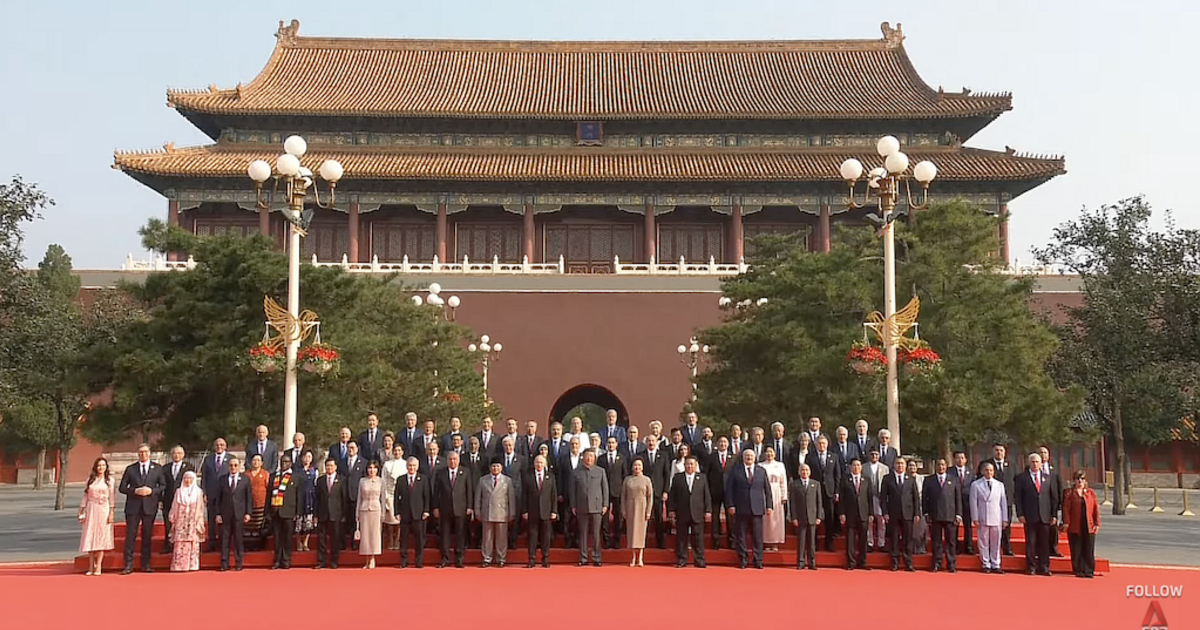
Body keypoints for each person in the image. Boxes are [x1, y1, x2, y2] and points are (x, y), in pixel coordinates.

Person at [119, 444, 166, 574]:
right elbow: (122, 487)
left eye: (145, 452)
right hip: (133, 507)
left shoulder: (157, 468)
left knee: (147, 536)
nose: (143, 454)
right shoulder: (131, 469)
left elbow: (163, 486)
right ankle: (128, 565)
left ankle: (146, 564)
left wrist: (152, 491)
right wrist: (135, 491)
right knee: (130, 536)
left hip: (149, 506)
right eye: (140, 452)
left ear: (149, 453)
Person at [726, 449, 772, 569]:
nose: (749, 458)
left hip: (757, 508)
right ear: (743, 457)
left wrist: (769, 506)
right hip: (741, 508)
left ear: (755, 457)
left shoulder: (761, 471)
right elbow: (729, 489)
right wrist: (730, 505)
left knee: (757, 536)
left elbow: (767, 489)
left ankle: (758, 560)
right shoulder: (736, 470)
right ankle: (743, 560)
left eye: (751, 456)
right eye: (747, 456)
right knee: (741, 536)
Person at [1014, 452, 1057, 576]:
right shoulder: (1022, 478)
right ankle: (1031, 567)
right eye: (1032, 462)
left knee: (1044, 543)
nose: (1035, 464)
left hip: (1045, 516)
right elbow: (1018, 497)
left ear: (1041, 463)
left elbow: (1053, 498)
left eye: (1037, 462)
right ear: (1029, 463)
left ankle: (1044, 567)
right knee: (1031, 543)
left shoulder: (1048, 478)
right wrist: (1020, 514)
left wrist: (1054, 515)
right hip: (1029, 516)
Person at [667, 455, 710, 568]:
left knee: (698, 538)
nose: (690, 466)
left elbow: (706, 495)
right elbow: (672, 495)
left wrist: (708, 510)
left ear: (696, 466)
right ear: (684, 465)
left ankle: (699, 560)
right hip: (682, 512)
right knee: (681, 538)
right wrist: (671, 510)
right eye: (688, 464)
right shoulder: (678, 478)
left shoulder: (702, 478)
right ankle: (681, 560)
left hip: (697, 512)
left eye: (692, 464)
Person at [434, 450, 474, 568]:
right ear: (447, 461)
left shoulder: (465, 472)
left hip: (460, 508)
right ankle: (445, 559)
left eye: (455, 459)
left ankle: (459, 559)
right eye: (450, 459)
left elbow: (469, 490)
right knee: (444, 535)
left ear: (458, 460)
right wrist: (435, 507)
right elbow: (436, 491)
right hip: (445, 508)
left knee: (460, 534)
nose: (452, 461)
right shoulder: (441, 473)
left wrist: (469, 507)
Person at [922, 458, 963, 573]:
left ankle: (951, 564)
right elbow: (924, 498)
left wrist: (959, 514)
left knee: (951, 541)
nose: (941, 467)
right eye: (939, 465)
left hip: (950, 515)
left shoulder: (953, 479)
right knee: (936, 541)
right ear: (935, 466)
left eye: (943, 465)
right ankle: (936, 563)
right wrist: (926, 513)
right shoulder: (929, 480)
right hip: (935, 515)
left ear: (946, 466)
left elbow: (958, 498)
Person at [476, 457, 518, 567]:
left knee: (501, 538)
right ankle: (487, 558)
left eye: (497, 466)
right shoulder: (483, 480)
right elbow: (478, 497)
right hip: (487, 511)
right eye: (493, 466)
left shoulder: (507, 481)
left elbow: (511, 498)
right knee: (487, 538)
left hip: (502, 512)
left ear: (501, 468)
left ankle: (501, 558)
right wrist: (477, 511)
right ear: (490, 468)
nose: (495, 468)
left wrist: (512, 512)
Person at [881, 456, 920, 572]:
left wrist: (917, 513)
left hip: (908, 513)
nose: (900, 466)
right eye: (898, 463)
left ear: (905, 466)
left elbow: (916, 498)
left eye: (902, 464)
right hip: (893, 513)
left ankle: (908, 563)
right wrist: (885, 512)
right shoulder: (887, 478)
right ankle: (894, 563)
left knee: (908, 539)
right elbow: (883, 497)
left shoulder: (910, 479)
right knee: (894, 539)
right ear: (894, 465)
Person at [79, 457, 116, 576]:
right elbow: (85, 495)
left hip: (103, 509)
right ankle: (90, 566)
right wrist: (81, 509)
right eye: (99, 465)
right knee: (90, 536)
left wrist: (111, 512)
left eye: (103, 465)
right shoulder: (90, 480)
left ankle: (98, 565)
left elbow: (111, 497)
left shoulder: (110, 481)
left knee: (101, 537)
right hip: (91, 508)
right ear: (96, 467)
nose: (101, 468)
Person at [572, 448, 609, 566]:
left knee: (596, 534)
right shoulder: (576, 472)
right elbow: (572, 490)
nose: (589, 459)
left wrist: (605, 504)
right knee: (583, 534)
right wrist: (573, 505)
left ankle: (596, 557)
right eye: (587, 456)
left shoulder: (600, 471)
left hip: (597, 506)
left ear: (594, 458)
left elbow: (605, 489)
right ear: (583, 457)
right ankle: (583, 558)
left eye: (591, 456)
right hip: (581, 506)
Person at [970, 462, 1008, 574]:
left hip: (996, 517)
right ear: (982, 471)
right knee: (983, 542)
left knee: (996, 542)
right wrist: (975, 517)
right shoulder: (976, 485)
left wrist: (1005, 518)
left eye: (991, 470)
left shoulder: (999, 485)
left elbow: (1003, 503)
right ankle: (986, 564)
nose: (989, 472)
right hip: (983, 516)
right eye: (986, 470)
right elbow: (973, 502)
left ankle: (996, 564)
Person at [1061, 469, 1100, 578]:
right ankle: (1078, 569)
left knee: (1089, 548)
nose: (1080, 481)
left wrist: (1097, 523)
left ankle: (1089, 570)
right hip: (1075, 524)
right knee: (1076, 548)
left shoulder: (1090, 493)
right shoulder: (1069, 493)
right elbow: (1066, 509)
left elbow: (1096, 509)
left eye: (1082, 478)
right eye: (1077, 479)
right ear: (1074, 480)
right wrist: (1066, 522)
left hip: (1088, 524)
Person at [216, 455, 252, 571]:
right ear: (228, 466)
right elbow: (218, 498)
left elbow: (248, 497)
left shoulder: (245, 479)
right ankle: (224, 563)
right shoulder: (222, 479)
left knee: (238, 539)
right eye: (231, 465)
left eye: (235, 465)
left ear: (239, 466)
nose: (233, 467)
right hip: (225, 514)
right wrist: (218, 514)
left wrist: (248, 513)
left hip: (239, 514)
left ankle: (238, 562)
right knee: (224, 540)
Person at [394, 456, 432, 568]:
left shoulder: (423, 479)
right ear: (406, 466)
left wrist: (426, 510)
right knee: (404, 539)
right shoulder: (401, 479)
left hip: (419, 513)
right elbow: (396, 497)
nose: (412, 468)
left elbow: (427, 496)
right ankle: (403, 561)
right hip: (405, 513)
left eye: (414, 466)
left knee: (419, 539)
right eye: (410, 465)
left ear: (417, 467)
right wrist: (397, 512)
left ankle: (418, 560)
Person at [523, 454, 557, 568]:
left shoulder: (550, 477)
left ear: (545, 464)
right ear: (534, 464)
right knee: (532, 536)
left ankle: (545, 558)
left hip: (546, 511)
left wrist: (554, 511)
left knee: (546, 536)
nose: (539, 464)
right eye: (537, 462)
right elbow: (524, 495)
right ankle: (531, 559)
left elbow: (553, 495)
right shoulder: (528, 477)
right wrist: (524, 511)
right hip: (532, 511)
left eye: (541, 462)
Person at [314, 458, 349, 570]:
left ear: (336, 467)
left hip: (336, 514)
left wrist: (343, 514)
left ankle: (334, 561)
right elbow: (316, 499)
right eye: (327, 466)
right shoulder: (320, 480)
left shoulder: (342, 480)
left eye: (331, 466)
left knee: (335, 539)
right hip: (322, 513)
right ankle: (321, 561)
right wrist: (315, 515)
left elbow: (344, 498)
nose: (329, 468)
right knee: (321, 539)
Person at [167, 470, 205, 572]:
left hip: (193, 520)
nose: (188, 481)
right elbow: (174, 505)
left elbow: (200, 507)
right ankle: (179, 565)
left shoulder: (198, 492)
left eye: (190, 478)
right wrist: (172, 516)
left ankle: (192, 565)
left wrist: (199, 520)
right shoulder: (179, 491)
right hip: (181, 520)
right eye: (186, 478)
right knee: (180, 542)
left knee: (192, 542)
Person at [807, 435, 840, 551]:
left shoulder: (834, 457)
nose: (822, 445)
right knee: (814, 517)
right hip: (814, 491)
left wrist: (836, 491)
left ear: (827, 444)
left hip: (829, 491)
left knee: (829, 517)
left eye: (824, 443)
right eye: (819, 443)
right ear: (816, 445)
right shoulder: (810, 457)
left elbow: (837, 475)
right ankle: (814, 543)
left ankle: (829, 543)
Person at [839, 458, 873, 570]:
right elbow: (842, 498)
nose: (856, 467)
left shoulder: (866, 480)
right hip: (850, 514)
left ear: (861, 467)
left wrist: (871, 513)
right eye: (854, 465)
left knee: (863, 539)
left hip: (863, 513)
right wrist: (842, 513)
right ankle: (851, 562)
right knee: (850, 540)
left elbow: (870, 498)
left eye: (858, 465)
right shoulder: (845, 480)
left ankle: (862, 562)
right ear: (850, 467)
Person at [788, 463, 823, 570]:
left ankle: (812, 562)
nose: (805, 472)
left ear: (810, 472)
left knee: (812, 542)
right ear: (799, 472)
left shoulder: (815, 484)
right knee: (801, 542)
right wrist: (794, 517)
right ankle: (800, 562)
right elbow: (792, 502)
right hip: (800, 516)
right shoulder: (794, 484)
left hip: (812, 516)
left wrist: (819, 516)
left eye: (807, 470)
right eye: (803, 470)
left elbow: (819, 501)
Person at [983, 443, 1015, 555]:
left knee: (1006, 525)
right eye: (996, 450)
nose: (999, 452)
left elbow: (1015, 482)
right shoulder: (986, 464)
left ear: (1005, 452)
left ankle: (1007, 547)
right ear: (993, 452)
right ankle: (991, 549)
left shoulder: (1011, 465)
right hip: (991, 501)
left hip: (1007, 500)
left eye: (1001, 450)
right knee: (991, 526)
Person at [160, 445, 194, 553]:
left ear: (183, 455)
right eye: (175, 453)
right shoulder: (165, 468)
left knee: (182, 524)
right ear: (171, 455)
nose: (177, 455)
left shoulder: (188, 467)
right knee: (168, 524)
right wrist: (160, 500)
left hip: (183, 501)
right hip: (168, 500)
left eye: (179, 453)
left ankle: (181, 546)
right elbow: (161, 484)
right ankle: (168, 545)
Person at [621, 457, 654, 567]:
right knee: (631, 533)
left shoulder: (646, 480)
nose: (637, 467)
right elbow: (623, 496)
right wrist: (623, 509)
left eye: (639, 465)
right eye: (635, 465)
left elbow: (650, 496)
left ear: (642, 467)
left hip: (642, 507)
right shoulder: (628, 480)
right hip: (630, 506)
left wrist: (648, 511)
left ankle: (640, 558)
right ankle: (633, 557)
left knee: (641, 533)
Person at [268, 454, 299, 569]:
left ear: (290, 463)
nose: (284, 464)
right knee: (277, 538)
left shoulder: (295, 477)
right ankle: (277, 560)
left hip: (289, 512)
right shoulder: (273, 476)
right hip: (275, 511)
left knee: (287, 538)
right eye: (282, 462)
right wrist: (267, 511)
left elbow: (298, 496)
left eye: (286, 462)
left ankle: (286, 560)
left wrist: (298, 512)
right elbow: (268, 495)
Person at [639, 435, 670, 549]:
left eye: (653, 441)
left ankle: (660, 543)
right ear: (646, 442)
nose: (651, 443)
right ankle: (643, 543)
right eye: (649, 441)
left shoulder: (663, 455)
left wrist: (665, 491)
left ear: (657, 442)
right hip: (644, 493)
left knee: (658, 518)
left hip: (658, 492)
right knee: (644, 518)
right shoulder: (641, 455)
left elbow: (667, 475)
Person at [200, 438, 231, 552]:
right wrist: (204, 492)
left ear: (225, 446)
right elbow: (204, 477)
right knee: (211, 520)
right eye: (217, 445)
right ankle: (212, 543)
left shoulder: (231, 458)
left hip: (225, 495)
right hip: (211, 494)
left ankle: (223, 544)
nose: (219, 446)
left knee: (224, 520)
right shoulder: (208, 459)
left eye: (222, 444)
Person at [598, 437, 628, 549]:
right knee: (604, 517)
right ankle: (605, 541)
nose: (611, 445)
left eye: (613, 443)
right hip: (604, 491)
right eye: (609, 443)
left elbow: (625, 475)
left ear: (616, 444)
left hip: (618, 491)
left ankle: (616, 540)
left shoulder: (622, 458)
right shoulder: (601, 459)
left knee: (618, 517)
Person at [707, 435, 735, 550]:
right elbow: (707, 474)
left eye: (725, 442)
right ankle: (715, 541)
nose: (722, 444)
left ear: (728, 444)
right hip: (715, 491)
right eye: (720, 442)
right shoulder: (711, 457)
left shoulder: (733, 458)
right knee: (715, 517)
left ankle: (731, 541)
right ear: (717, 444)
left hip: (730, 491)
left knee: (730, 518)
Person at [356, 460, 385, 569]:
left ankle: (372, 558)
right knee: (365, 536)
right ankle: (366, 559)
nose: (372, 470)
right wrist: (357, 513)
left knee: (374, 535)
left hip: (376, 510)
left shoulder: (381, 481)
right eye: (370, 468)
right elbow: (359, 498)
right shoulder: (362, 481)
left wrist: (383, 513)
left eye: (374, 468)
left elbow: (383, 498)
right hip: (364, 510)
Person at [1038, 446, 1064, 557]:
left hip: (1052, 502)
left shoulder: (1053, 469)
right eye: (1041, 453)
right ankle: (1040, 549)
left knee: (1053, 526)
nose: (1043, 455)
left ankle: (1053, 548)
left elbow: (1059, 485)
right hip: (1039, 502)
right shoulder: (1033, 468)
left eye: (1045, 453)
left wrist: (1060, 502)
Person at [948, 451, 975, 554]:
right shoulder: (949, 471)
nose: (960, 460)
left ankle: (969, 546)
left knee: (968, 526)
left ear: (965, 460)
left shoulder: (971, 472)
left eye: (962, 458)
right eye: (958, 458)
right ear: (954, 459)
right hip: (953, 502)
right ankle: (954, 547)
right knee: (954, 526)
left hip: (967, 502)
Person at [761, 446, 788, 552]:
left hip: (777, 492)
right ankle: (766, 542)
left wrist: (784, 496)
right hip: (764, 492)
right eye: (767, 452)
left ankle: (775, 542)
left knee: (776, 518)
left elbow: (783, 481)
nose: (769, 454)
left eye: (771, 452)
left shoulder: (780, 465)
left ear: (775, 454)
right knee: (766, 519)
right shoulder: (760, 465)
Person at [382, 443, 406, 550]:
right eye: (395, 450)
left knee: (399, 519)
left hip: (402, 494)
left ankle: (398, 539)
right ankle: (391, 539)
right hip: (390, 494)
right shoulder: (387, 464)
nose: (397, 452)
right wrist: (385, 496)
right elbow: (383, 480)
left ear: (402, 452)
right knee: (390, 519)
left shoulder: (405, 464)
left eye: (399, 450)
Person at [863, 448, 888, 553]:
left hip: (880, 497)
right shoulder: (864, 467)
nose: (874, 456)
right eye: (872, 454)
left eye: (876, 454)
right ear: (869, 455)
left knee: (881, 521)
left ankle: (881, 543)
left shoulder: (884, 468)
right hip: (867, 497)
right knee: (869, 521)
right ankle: (870, 543)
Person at [245, 454, 270, 549]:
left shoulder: (265, 474)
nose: (256, 462)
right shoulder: (246, 474)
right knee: (249, 527)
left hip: (261, 504)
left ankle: (259, 546)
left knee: (259, 526)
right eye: (254, 460)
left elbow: (268, 488)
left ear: (262, 463)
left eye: (258, 460)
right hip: (249, 504)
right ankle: (249, 546)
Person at [296, 450, 318, 552]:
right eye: (305, 457)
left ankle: (305, 542)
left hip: (310, 498)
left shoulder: (314, 471)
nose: (307, 459)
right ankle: (298, 542)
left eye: (309, 457)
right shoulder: (297, 471)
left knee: (308, 522)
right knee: (298, 522)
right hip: (300, 497)